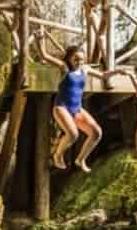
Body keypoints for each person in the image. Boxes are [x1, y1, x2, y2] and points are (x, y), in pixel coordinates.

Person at [34, 41, 104, 172]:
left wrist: (119, 72)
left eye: (82, 59)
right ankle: (57, 155)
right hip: (61, 107)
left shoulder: (85, 69)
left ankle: (80, 159)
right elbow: (44, 56)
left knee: (97, 133)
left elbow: (103, 75)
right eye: (76, 59)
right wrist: (41, 40)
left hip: (77, 109)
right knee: (73, 134)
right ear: (70, 59)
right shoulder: (64, 68)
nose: (79, 62)